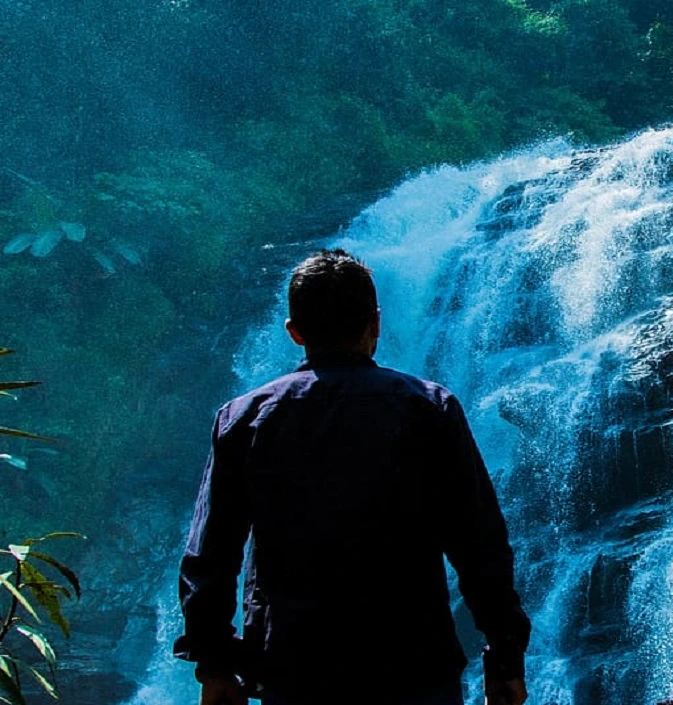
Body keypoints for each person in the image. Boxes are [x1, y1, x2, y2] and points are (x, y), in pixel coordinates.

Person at [174, 249, 531, 705]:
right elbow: (480, 546)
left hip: (293, 667)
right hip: (413, 664)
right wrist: (504, 658)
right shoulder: (429, 409)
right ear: (376, 324)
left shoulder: (244, 419)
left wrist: (215, 665)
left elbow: (211, 555)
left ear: (294, 332)